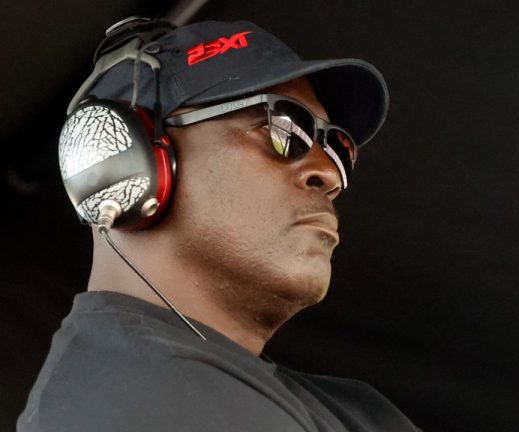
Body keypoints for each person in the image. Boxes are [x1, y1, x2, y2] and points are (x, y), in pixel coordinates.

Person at [18, 17, 419, 432]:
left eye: (337, 149)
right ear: (123, 164)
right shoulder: (114, 408)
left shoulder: (349, 407)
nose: (330, 176)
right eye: (284, 128)